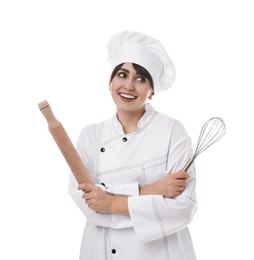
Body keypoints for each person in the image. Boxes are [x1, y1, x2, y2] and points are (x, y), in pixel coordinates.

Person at [68, 31, 197, 260]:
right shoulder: (91, 136)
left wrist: (111, 202)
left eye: (140, 79)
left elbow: (182, 208)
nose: (129, 85)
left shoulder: (172, 131)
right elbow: (91, 205)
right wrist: (156, 191)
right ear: (110, 82)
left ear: (152, 90)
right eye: (122, 74)